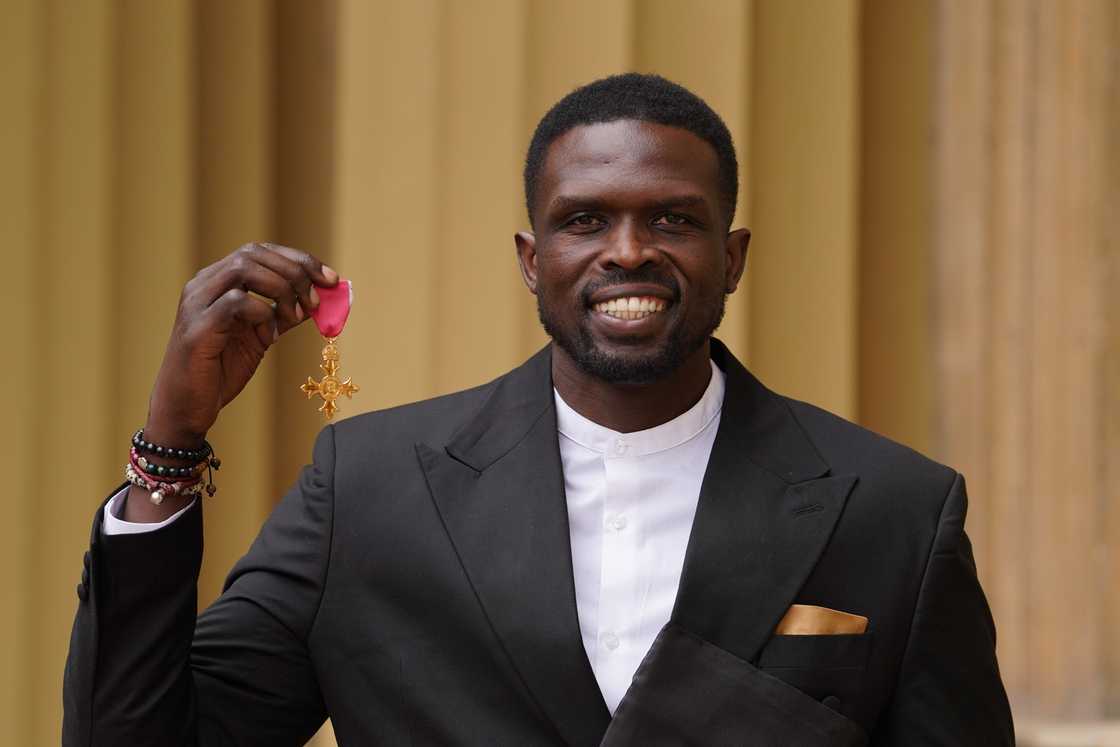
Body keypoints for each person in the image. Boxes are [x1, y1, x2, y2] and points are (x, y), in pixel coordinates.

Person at [63, 73, 1014, 746]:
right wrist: (170, 444)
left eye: (674, 219)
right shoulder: (370, 489)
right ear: (532, 259)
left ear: (733, 258)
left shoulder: (894, 508)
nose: (629, 251)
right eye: (586, 219)